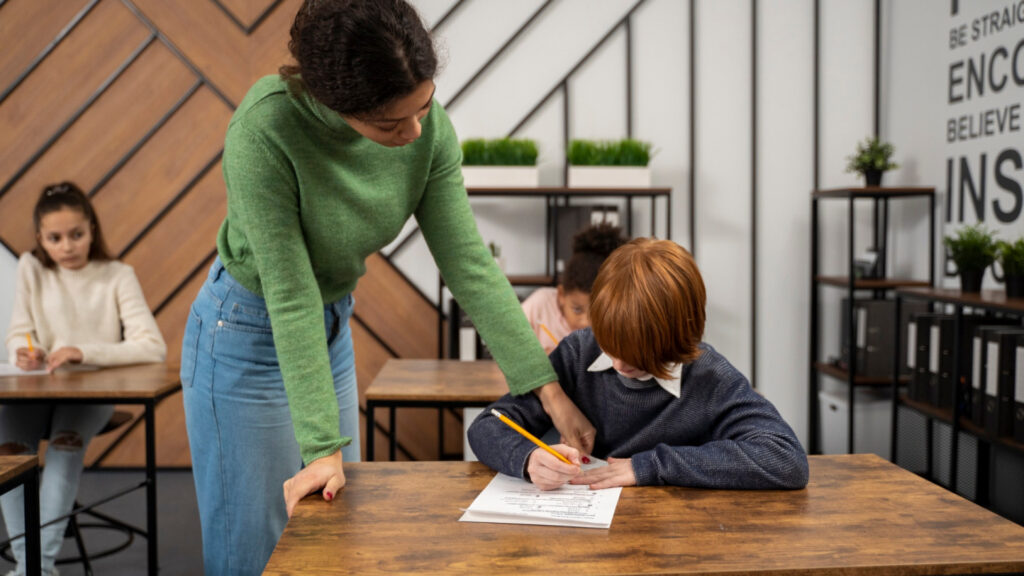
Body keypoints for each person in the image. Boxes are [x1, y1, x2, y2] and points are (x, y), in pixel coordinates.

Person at [179, 1, 594, 572]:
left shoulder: (425, 130)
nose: (416, 131)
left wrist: (550, 393)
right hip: (245, 332)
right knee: (257, 551)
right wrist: (322, 447)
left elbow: (469, 264)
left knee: (334, 531)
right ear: (336, 103)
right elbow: (291, 295)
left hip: (329, 326)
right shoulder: (265, 130)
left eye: (423, 106)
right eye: (391, 124)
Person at [469, 238, 808, 491]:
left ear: (681, 337)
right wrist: (528, 458)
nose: (618, 364)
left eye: (637, 355)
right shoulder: (579, 352)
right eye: (610, 345)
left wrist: (648, 466)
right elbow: (487, 426)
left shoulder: (709, 376)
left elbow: (785, 458)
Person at [0, 182, 167, 576]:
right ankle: (33, 567)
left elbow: (152, 346)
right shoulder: (32, 268)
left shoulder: (117, 275)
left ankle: (35, 568)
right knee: (8, 450)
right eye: (54, 238)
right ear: (40, 238)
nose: (67, 246)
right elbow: (19, 333)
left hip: (91, 396)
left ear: (92, 228)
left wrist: (83, 351)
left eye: (76, 234)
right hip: (37, 392)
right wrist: (22, 351)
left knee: (64, 447)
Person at [521, 222, 627, 353]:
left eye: (597, 313)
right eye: (577, 310)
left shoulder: (615, 324)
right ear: (561, 295)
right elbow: (508, 340)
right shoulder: (540, 304)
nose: (586, 323)